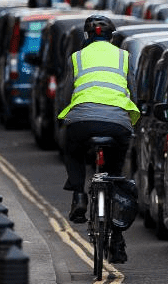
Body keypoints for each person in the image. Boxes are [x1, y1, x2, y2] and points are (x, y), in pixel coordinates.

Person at [58, 15, 139, 264]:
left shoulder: (77, 57)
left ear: (87, 36)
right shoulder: (123, 57)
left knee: (72, 149)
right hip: (117, 123)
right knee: (114, 172)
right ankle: (117, 242)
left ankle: (79, 196)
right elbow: (134, 93)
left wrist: (63, 115)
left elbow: (65, 92)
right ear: (112, 37)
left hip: (82, 120)